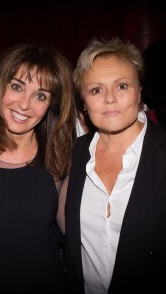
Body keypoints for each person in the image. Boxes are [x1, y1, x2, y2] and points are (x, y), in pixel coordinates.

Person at [0, 43, 77, 293]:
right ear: (0, 86)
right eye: (17, 86)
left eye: (40, 95)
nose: (24, 104)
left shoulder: (59, 160)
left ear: (51, 105)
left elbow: (80, 238)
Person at [63, 36, 166, 294]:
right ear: (83, 102)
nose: (109, 98)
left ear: (139, 91)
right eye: (96, 90)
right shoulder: (72, 155)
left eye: (121, 86)